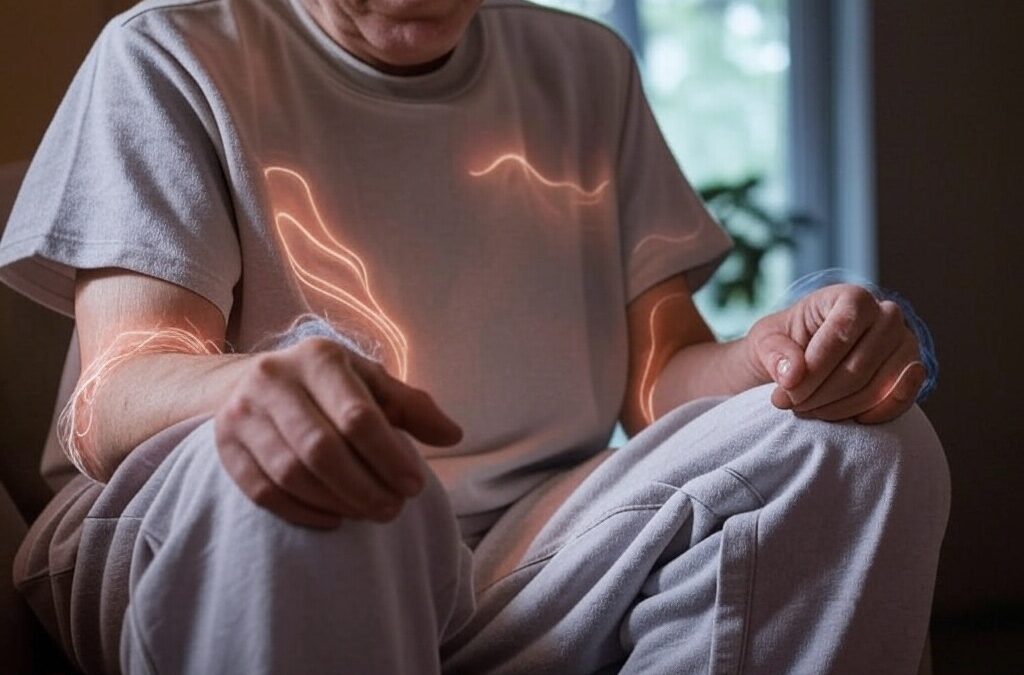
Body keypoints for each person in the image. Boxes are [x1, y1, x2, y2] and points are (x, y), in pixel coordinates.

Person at [0, 0, 949, 672]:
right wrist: (242, 393)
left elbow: (658, 380)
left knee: (865, 448)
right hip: (205, 517)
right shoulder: (169, 52)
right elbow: (112, 394)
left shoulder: (586, 69)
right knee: (322, 481)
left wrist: (777, 357)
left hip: (525, 539)